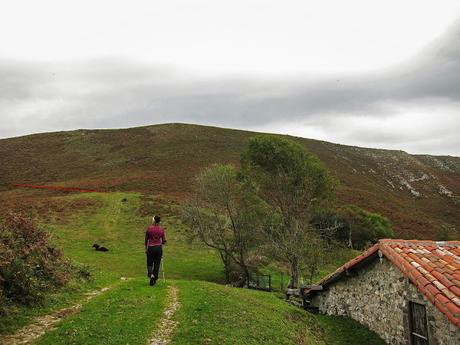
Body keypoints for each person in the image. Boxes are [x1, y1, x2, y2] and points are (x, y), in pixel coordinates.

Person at [145, 215, 167, 286]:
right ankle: (155, 278)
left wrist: (146, 248)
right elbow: (164, 241)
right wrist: (163, 242)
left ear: (154, 220)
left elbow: (146, 240)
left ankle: (151, 275)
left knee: (149, 262)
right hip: (158, 248)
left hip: (151, 248)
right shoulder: (161, 229)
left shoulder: (149, 229)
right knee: (157, 264)